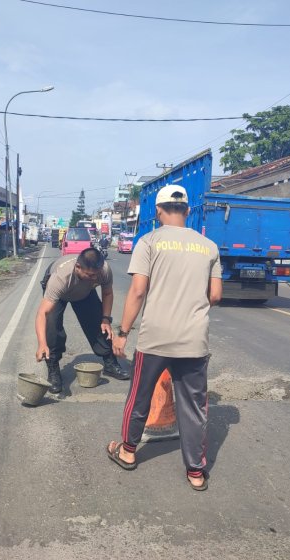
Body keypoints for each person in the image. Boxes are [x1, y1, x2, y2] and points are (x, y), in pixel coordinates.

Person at [105, 184, 223, 491]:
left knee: (139, 396)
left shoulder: (149, 241)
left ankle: (128, 452)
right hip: (193, 340)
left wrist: (122, 333)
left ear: (158, 211)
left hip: (155, 337)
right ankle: (196, 472)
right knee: (194, 406)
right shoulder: (209, 246)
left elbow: (138, 291)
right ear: (187, 210)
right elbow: (216, 295)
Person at [36, 247, 129, 393]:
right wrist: (42, 343)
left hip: (84, 294)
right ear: (78, 267)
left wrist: (106, 319)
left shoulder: (103, 270)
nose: (95, 279)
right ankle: (53, 370)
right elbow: (42, 313)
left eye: (96, 275)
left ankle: (110, 364)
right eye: (90, 275)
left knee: (100, 324)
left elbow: (107, 292)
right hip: (60, 295)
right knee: (52, 327)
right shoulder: (60, 278)